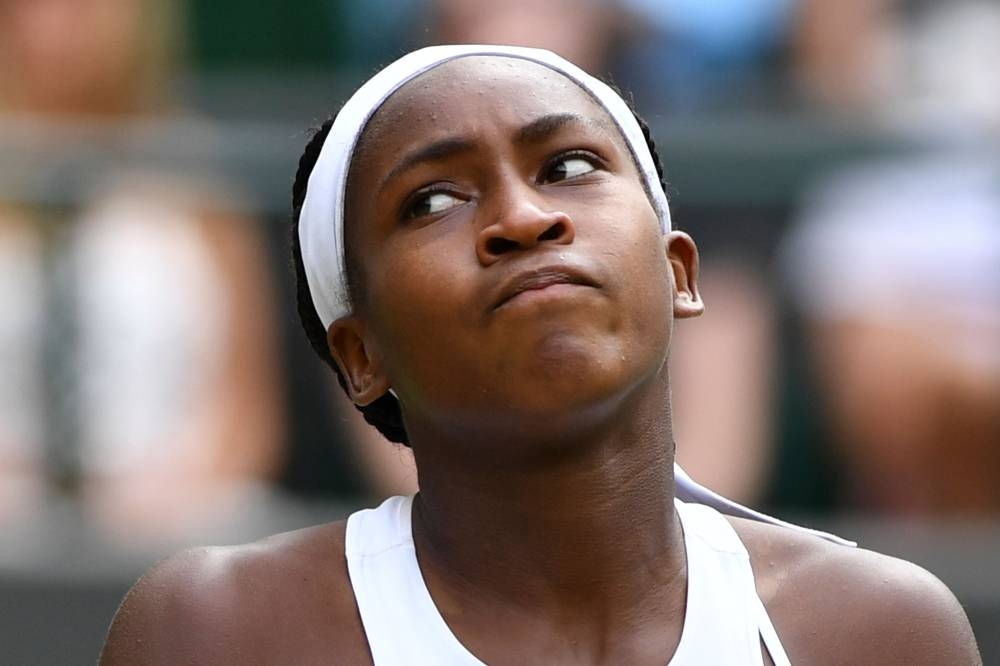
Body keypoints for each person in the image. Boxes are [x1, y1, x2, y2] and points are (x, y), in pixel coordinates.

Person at [100, 45, 981, 665]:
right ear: (360, 355)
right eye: (433, 199)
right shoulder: (213, 633)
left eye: (566, 168)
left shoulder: (881, 633)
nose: (524, 219)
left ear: (679, 272)